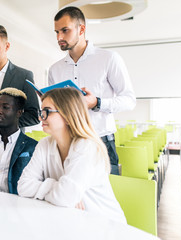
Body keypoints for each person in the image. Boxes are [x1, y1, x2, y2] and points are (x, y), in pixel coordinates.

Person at [48, 7, 136, 175]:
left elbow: (129, 100)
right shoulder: (54, 70)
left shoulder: (109, 58)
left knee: (104, 199)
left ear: (81, 29)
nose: (59, 37)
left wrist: (97, 103)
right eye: (57, 32)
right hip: (68, 142)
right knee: (70, 198)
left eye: (65, 30)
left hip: (100, 142)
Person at [17, 88, 126, 223]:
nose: (40, 117)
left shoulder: (86, 146)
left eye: (47, 112)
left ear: (68, 115)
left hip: (105, 227)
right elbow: (23, 186)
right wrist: (55, 186)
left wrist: (58, 193)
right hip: (71, 221)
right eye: (41, 112)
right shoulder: (44, 144)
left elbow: (65, 197)